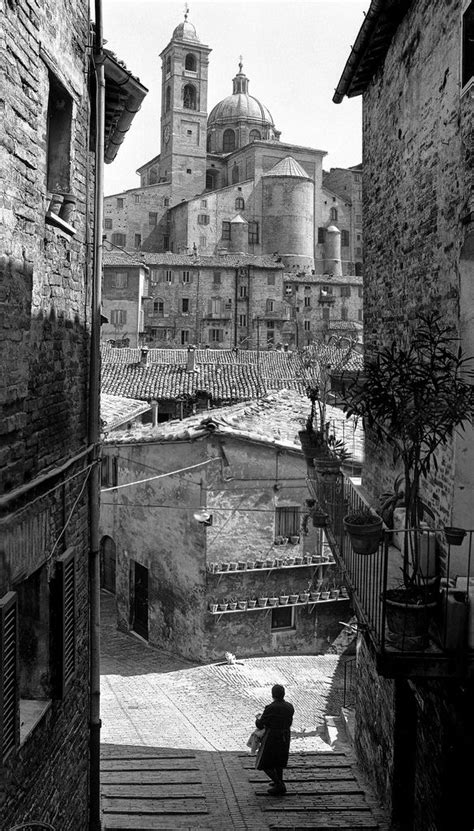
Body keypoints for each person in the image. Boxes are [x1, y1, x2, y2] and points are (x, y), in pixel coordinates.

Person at [254, 683, 294, 795]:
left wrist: (257, 718)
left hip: (272, 737)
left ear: (273, 695)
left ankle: (279, 784)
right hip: (285, 736)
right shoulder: (289, 706)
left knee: (264, 763)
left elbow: (261, 724)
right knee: (279, 761)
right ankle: (278, 781)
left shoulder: (270, 708)